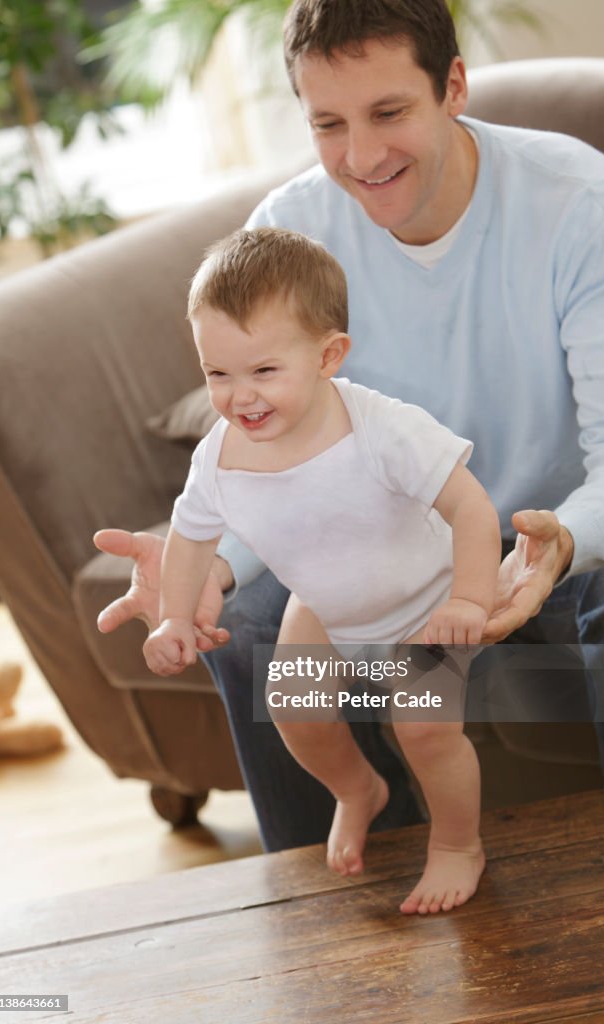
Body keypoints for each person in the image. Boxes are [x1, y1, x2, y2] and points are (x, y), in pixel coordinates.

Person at [95, 0, 604, 856]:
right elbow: (276, 454)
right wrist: (206, 565)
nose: (360, 158)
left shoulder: (581, 205)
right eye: (328, 123)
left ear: (454, 87)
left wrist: (564, 542)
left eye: (389, 112)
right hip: (386, 546)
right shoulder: (290, 232)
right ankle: (346, 898)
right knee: (245, 621)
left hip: (549, 539)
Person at [142, 226, 501, 913]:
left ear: (328, 355)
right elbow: (189, 539)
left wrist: (470, 599)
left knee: (425, 730)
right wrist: (175, 618)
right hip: (326, 606)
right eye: (218, 374)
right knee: (293, 709)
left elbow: (473, 509)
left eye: (264, 371)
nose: (240, 397)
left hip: (424, 604)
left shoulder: (381, 429)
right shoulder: (220, 456)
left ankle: (459, 844)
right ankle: (357, 789)